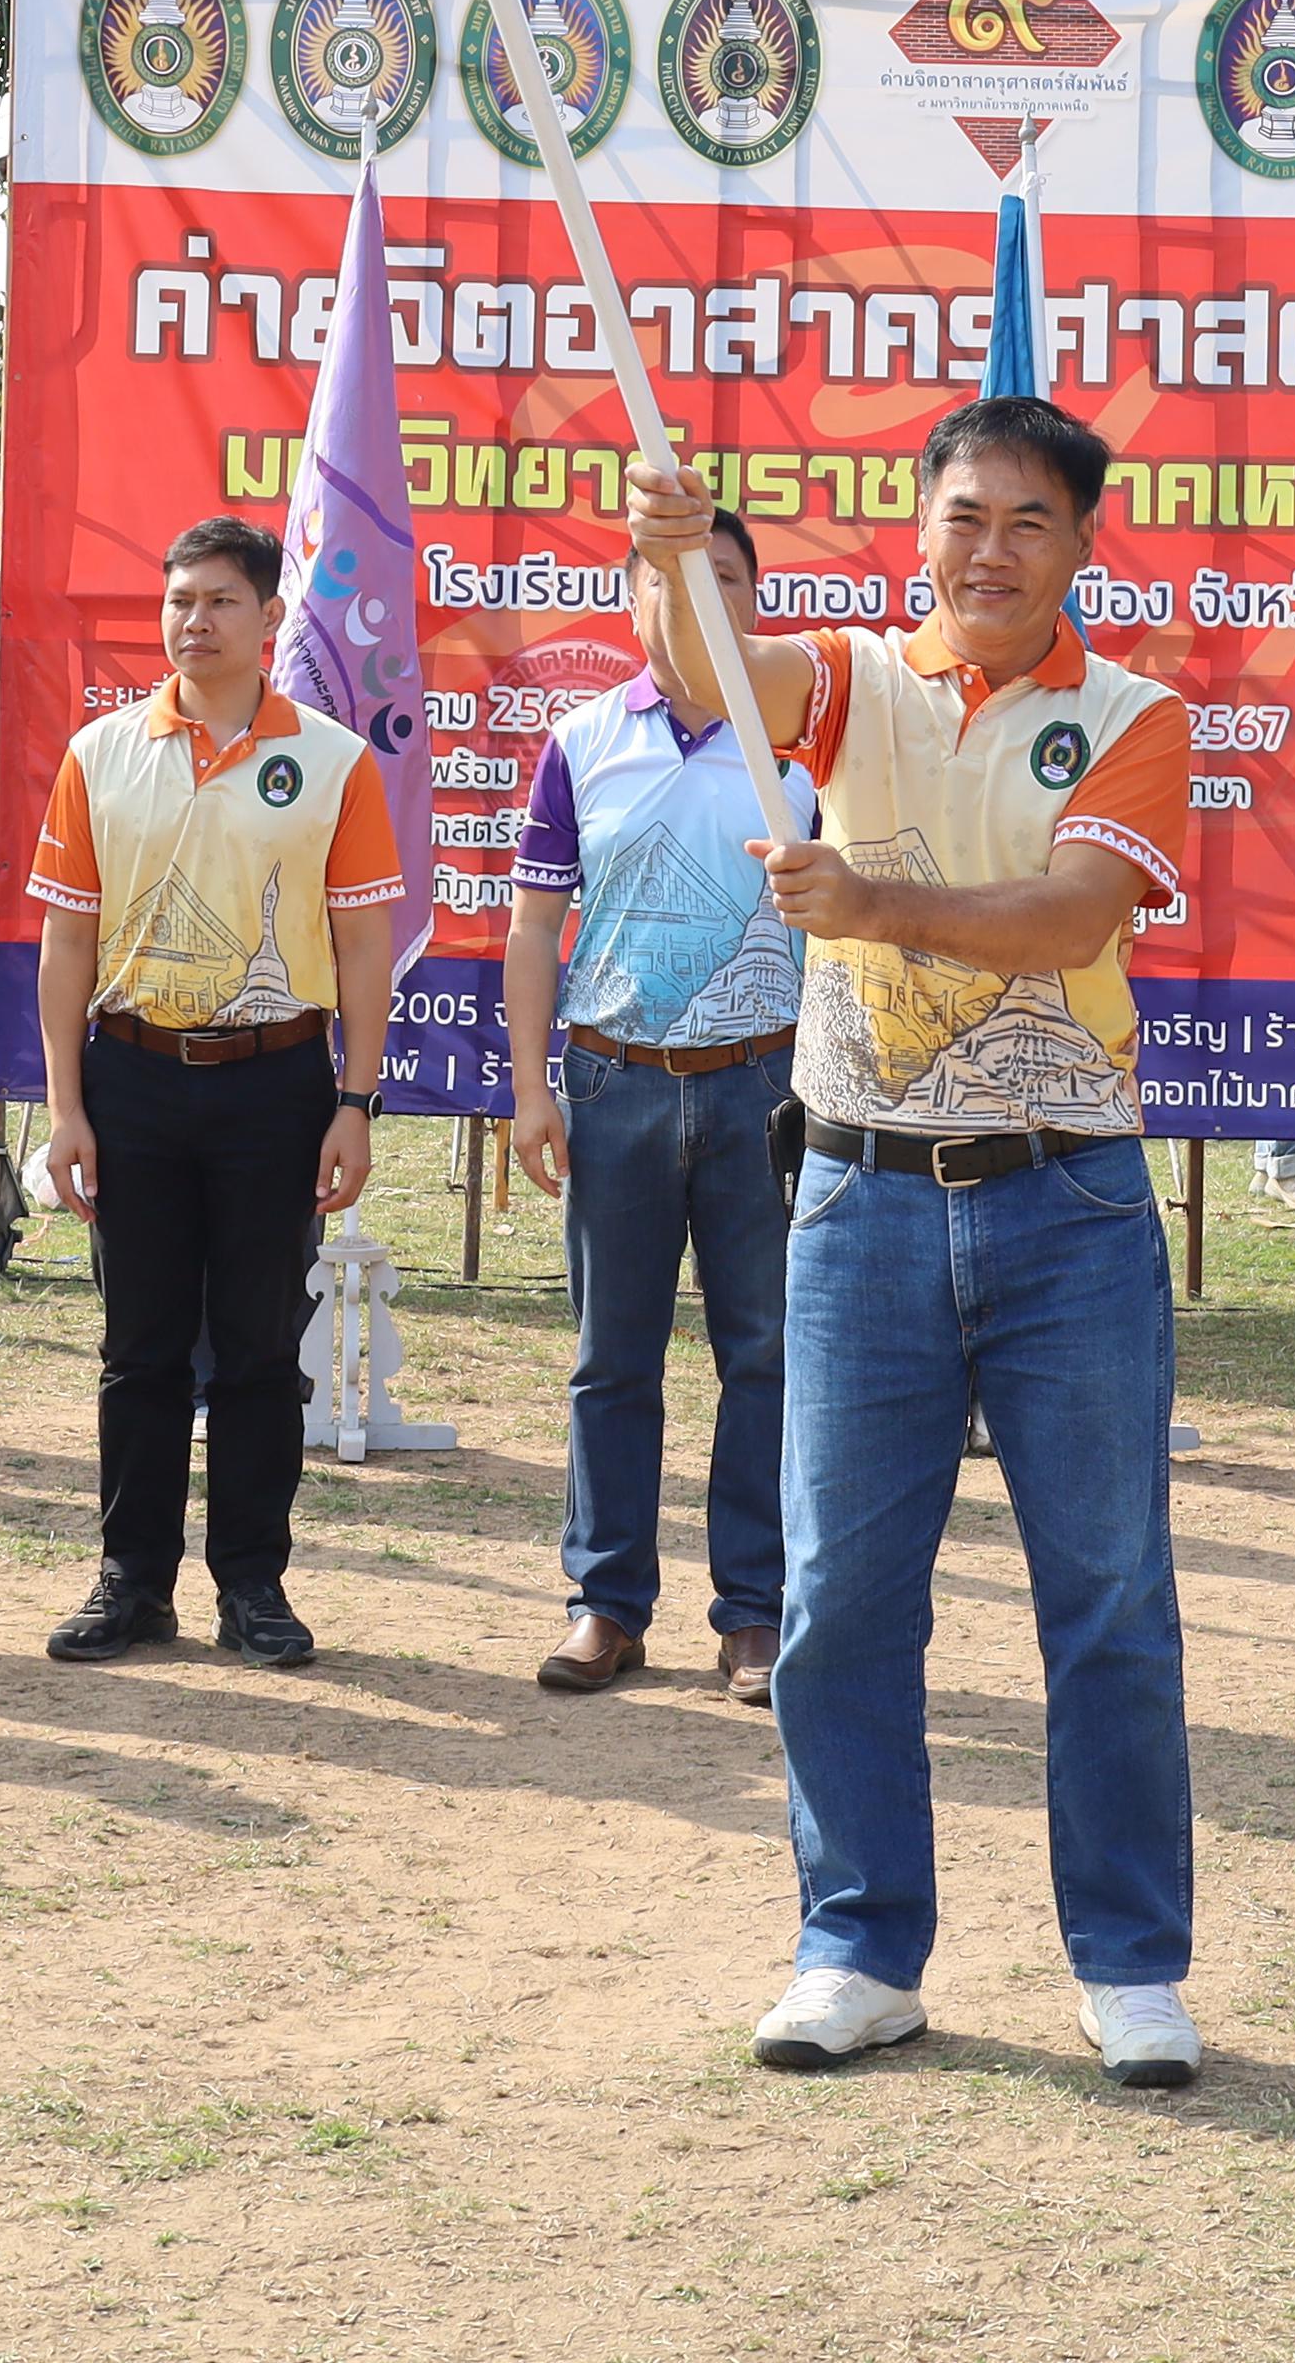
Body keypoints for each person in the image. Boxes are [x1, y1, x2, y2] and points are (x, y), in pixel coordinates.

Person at [629, 399, 1206, 2094]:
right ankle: (857, 1946)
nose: (992, 549)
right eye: (964, 516)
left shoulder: (1131, 715)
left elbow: (1077, 914)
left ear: (1080, 545)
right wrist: (674, 564)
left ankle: (1129, 1964)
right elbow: (708, 670)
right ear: (920, 526)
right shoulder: (855, 684)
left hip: (1070, 1202)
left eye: (1030, 521)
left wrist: (873, 907)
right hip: (859, 1200)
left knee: (1105, 1598)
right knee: (836, 1597)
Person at [26, 514, 399, 1669]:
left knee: (253, 1351)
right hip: (129, 1075)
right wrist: (67, 1106)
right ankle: (132, 1580)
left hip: (276, 1083)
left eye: (222, 600)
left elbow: (364, 943)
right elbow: (63, 944)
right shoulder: (101, 754)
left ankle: (254, 1583)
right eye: (179, 598)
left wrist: (356, 1098)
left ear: (271, 617)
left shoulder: (333, 760)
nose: (196, 620)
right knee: (137, 1347)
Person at [500, 499, 806, 1705]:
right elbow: (532, 927)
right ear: (634, 598)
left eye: (725, 578)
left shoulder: (801, 754)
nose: (699, 600)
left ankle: (758, 1613)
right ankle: (606, 1602)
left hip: (764, 1091)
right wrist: (530, 1086)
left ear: (754, 603)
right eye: (673, 578)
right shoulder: (579, 741)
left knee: (768, 1356)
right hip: (612, 1083)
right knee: (608, 1360)